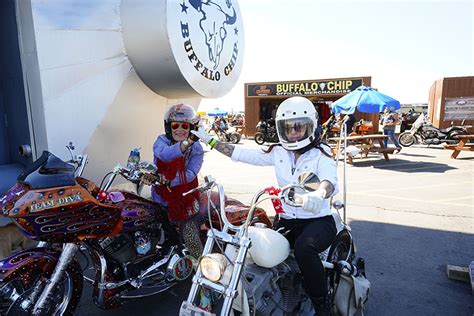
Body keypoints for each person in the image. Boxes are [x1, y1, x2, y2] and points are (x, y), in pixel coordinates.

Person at [192, 96, 338, 315]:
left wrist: (318, 195)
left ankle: (322, 304)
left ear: (312, 127)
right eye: (288, 128)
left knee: (304, 249)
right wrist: (211, 141)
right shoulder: (278, 152)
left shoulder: (322, 154)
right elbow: (243, 154)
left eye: (299, 127)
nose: (294, 133)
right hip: (288, 220)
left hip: (318, 220)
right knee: (256, 248)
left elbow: (329, 181)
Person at [146, 104, 204, 259]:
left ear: (191, 127)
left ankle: (200, 266)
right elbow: (164, 155)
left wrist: (170, 181)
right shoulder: (162, 141)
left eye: (185, 125)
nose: (180, 129)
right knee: (148, 224)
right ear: (168, 127)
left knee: (189, 231)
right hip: (159, 194)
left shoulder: (196, 147)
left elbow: (191, 173)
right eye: (175, 125)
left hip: (184, 195)